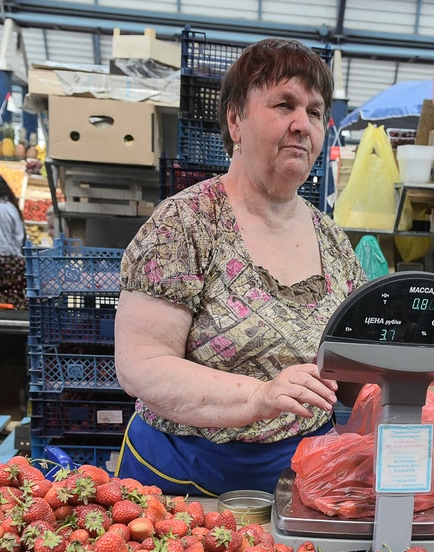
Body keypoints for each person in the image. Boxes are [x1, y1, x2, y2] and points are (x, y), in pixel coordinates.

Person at [112, 38, 365, 497]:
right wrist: (258, 396)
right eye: (283, 104)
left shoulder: (332, 241)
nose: (301, 125)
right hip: (180, 479)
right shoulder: (185, 223)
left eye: (313, 112)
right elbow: (141, 366)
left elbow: (351, 369)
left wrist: (403, 392)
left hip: (299, 480)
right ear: (235, 120)